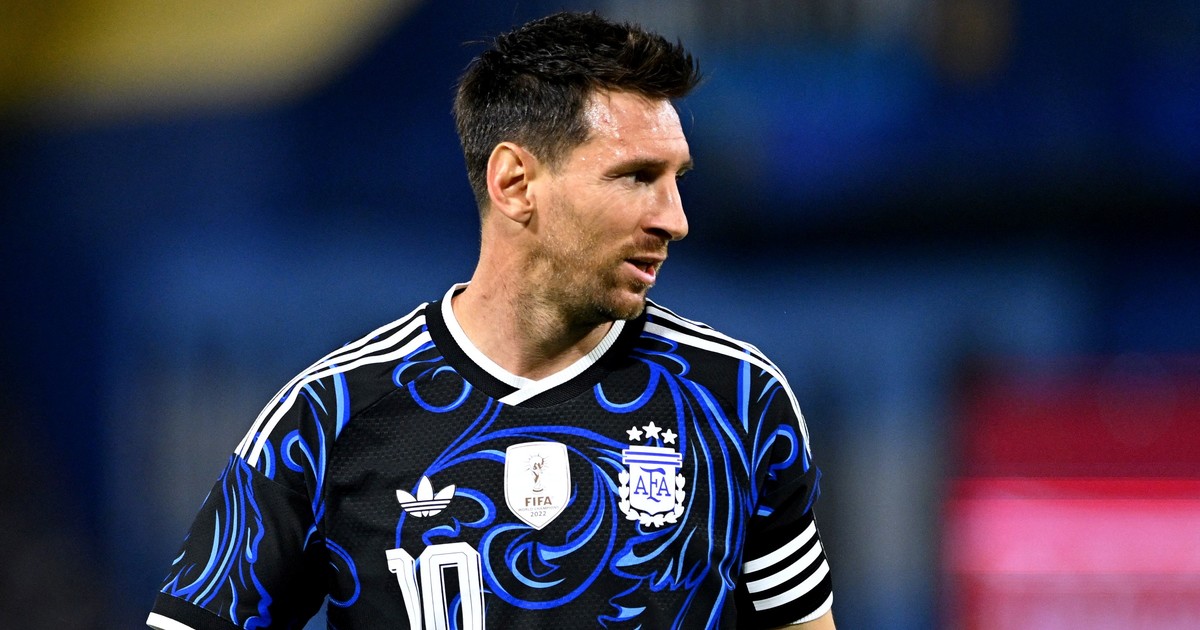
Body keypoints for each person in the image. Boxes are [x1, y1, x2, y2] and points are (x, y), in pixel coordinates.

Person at [147, 11, 835, 630]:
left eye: (677, 179)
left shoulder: (738, 400)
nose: (674, 219)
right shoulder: (330, 417)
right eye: (635, 177)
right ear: (514, 183)